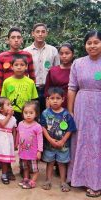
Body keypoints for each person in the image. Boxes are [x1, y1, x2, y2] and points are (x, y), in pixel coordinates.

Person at [67, 30, 101, 198]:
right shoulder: (78, 63)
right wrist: (70, 111)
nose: (92, 46)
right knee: (81, 141)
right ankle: (79, 178)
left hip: (99, 107)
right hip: (81, 106)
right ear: (85, 45)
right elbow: (72, 87)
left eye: (96, 42)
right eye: (89, 43)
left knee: (97, 143)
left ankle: (96, 182)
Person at [40, 87, 76, 192]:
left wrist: (63, 141)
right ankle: (48, 180)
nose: (55, 100)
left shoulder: (67, 115)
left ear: (63, 99)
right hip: (49, 145)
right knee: (49, 163)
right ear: (48, 100)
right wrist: (50, 140)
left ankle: (63, 182)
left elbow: (70, 129)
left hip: (63, 146)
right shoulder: (45, 113)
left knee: (62, 163)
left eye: (58, 98)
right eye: (52, 98)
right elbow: (43, 127)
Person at [24, 23, 60, 112]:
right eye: (37, 32)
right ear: (33, 33)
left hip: (48, 89)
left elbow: (57, 70)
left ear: (46, 33)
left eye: (43, 32)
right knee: (32, 115)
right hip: (31, 88)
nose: (40, 34)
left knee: (48, 115)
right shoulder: (26, 52)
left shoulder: (53, 50)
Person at [0, 27, 35, 97]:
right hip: (7, 94)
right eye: (13, 37)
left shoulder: (27, 55)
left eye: (18, 37)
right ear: (7, 40)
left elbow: (32, 77)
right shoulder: (2, 56)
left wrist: (32, 96)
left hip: (24, 93)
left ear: (22, 40)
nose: (16, 40)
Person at [1, 54, 38, 123]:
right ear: (12, 67)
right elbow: (3, 99)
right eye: (16, 65)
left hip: (27, 113)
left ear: (26, 66)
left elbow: (34, 100)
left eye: (22, 65)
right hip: (11, 113)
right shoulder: (7, 82)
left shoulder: (30, 82)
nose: (19, 67)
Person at [16, 101, 43, 189]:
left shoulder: (37, 126)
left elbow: (40, 139)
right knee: (25, 167)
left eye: (31, 113)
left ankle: (32, 182)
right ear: (22, 113)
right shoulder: (20, 124)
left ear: (36, 114)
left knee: (34, 169)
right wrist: (17, 144)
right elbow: (18, 135)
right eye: (26, 113)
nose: (28, 115)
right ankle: (26, 179)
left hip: (33, 153)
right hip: (23, 152)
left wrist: (39, 151)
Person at [44, 43, 74, 108]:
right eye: (61, 53)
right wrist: (48, 110)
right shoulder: (53, 71)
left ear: (72, 54)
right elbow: (47, 91)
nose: (64, 56)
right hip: (56, 104)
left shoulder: (77, 69)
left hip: (74, 103)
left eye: (67, 53)